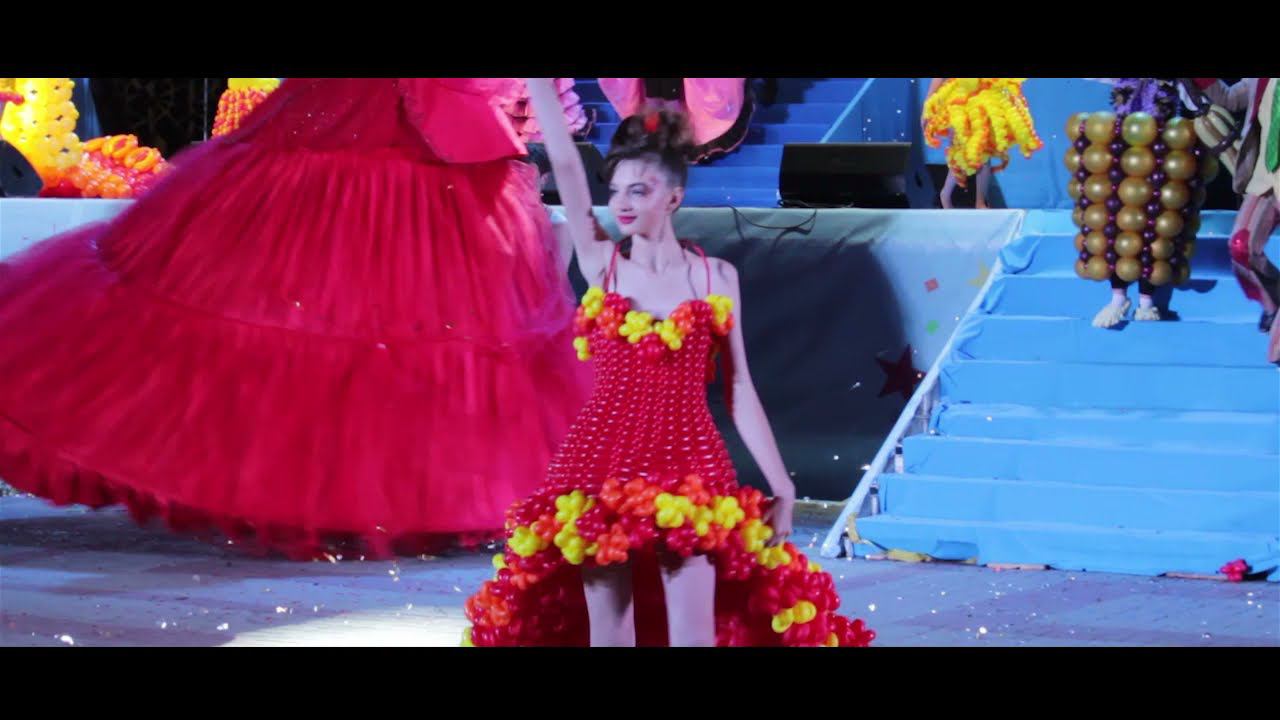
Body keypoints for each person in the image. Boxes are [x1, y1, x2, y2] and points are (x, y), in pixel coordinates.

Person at [0, 78, 591, 560]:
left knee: (410, 328)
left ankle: (395, 499)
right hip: (350, 121)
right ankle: (343, 499)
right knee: (304, 312)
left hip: (434, 146)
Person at [462, 78, 874, 648]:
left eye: (640, 190)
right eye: (617, 190)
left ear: (674, 197)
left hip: (692, 463)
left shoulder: (714, 278)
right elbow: (568, 165)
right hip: (600, 462)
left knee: (694, 635)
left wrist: (781, 484)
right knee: (610, 633)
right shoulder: (602, 263)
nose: (622, 203)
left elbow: (739, 391)